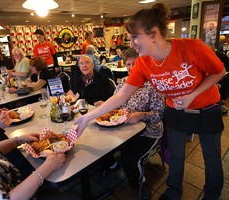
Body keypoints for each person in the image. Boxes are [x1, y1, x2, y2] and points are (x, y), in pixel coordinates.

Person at [75, 3, 225, 200]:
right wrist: (88, 118)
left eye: (135, 37)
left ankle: (212, 196)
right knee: (177, 156)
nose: (132, 43)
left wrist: (191, 96)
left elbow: (219, 71)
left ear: (154, 33)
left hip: (207, 109)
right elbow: (121, 96)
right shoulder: (144, 63)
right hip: (176, 111)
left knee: (212, 158)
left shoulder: (192, 48)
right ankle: (173, 193)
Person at [95, 48, 165, 199]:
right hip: (125, 129)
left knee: (129, 160)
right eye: (128, 64)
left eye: (135, 63)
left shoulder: (153, 85)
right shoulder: (122, 83)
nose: (131, 67)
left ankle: (139, 185)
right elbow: (115, 104)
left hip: (149, 132)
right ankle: (111, 168)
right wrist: (105, 105)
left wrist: (142, 115)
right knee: (100, 143)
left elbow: (160, 114)